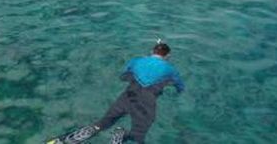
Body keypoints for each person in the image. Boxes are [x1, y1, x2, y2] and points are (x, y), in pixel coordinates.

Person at [47, 42, 184, 144]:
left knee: (102, 124)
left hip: (126, 97)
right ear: (168, 56)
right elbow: (180, 87)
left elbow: (123, 77)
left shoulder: (136, 61)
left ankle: (73, 138)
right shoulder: (170, 69)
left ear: (151, 51)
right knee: (138, 136)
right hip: (146, 104)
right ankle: (122, 135)